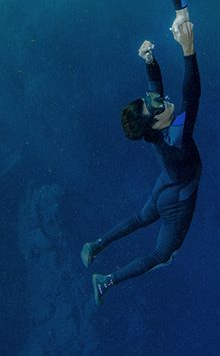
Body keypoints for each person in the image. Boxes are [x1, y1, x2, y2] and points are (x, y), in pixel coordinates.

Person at [81, 20, 201, 306]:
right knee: (162, 255)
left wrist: (150, 63)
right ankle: (106, 281)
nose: (160, 100)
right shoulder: (176, 137)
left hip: (166, 184)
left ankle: (96, 245)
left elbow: (156, 90)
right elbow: (191, 95)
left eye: (152, 99)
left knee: (140, 218)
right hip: (177, 196)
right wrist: (188, 50)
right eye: (156, 106)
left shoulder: (154, 132)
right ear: (157, 122)